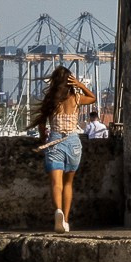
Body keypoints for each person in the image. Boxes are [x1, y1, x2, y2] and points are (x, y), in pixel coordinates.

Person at [33, 66, 97, 232]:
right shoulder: (76, 98)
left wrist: (42, 137)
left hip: (54, 141)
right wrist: (80, 85)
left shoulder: (51, 100)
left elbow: (41, 124)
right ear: (69, 82)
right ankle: (66, 220)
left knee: (56, 183)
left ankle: (58, 211)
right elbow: (93, 98)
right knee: (68, 183)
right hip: (73, 141)